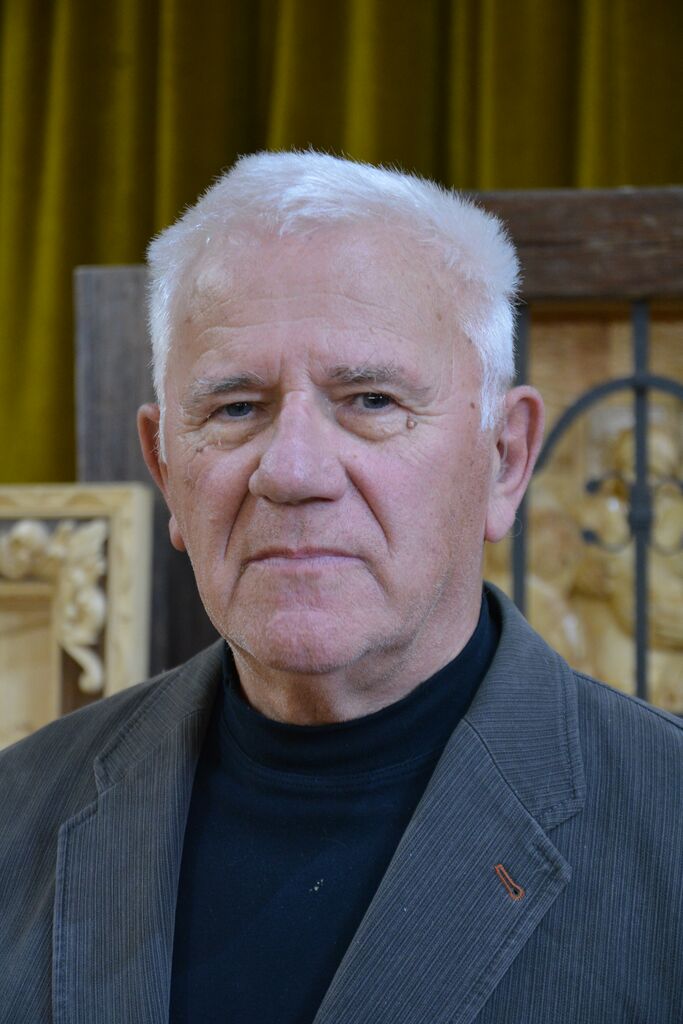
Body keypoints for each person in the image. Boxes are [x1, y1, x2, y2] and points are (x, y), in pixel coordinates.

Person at [1, 152, 681, 1024]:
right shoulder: (19, 816)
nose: (293, 472)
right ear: (166, 470)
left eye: (369, 400)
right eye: (235, 409)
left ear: (504, 458)